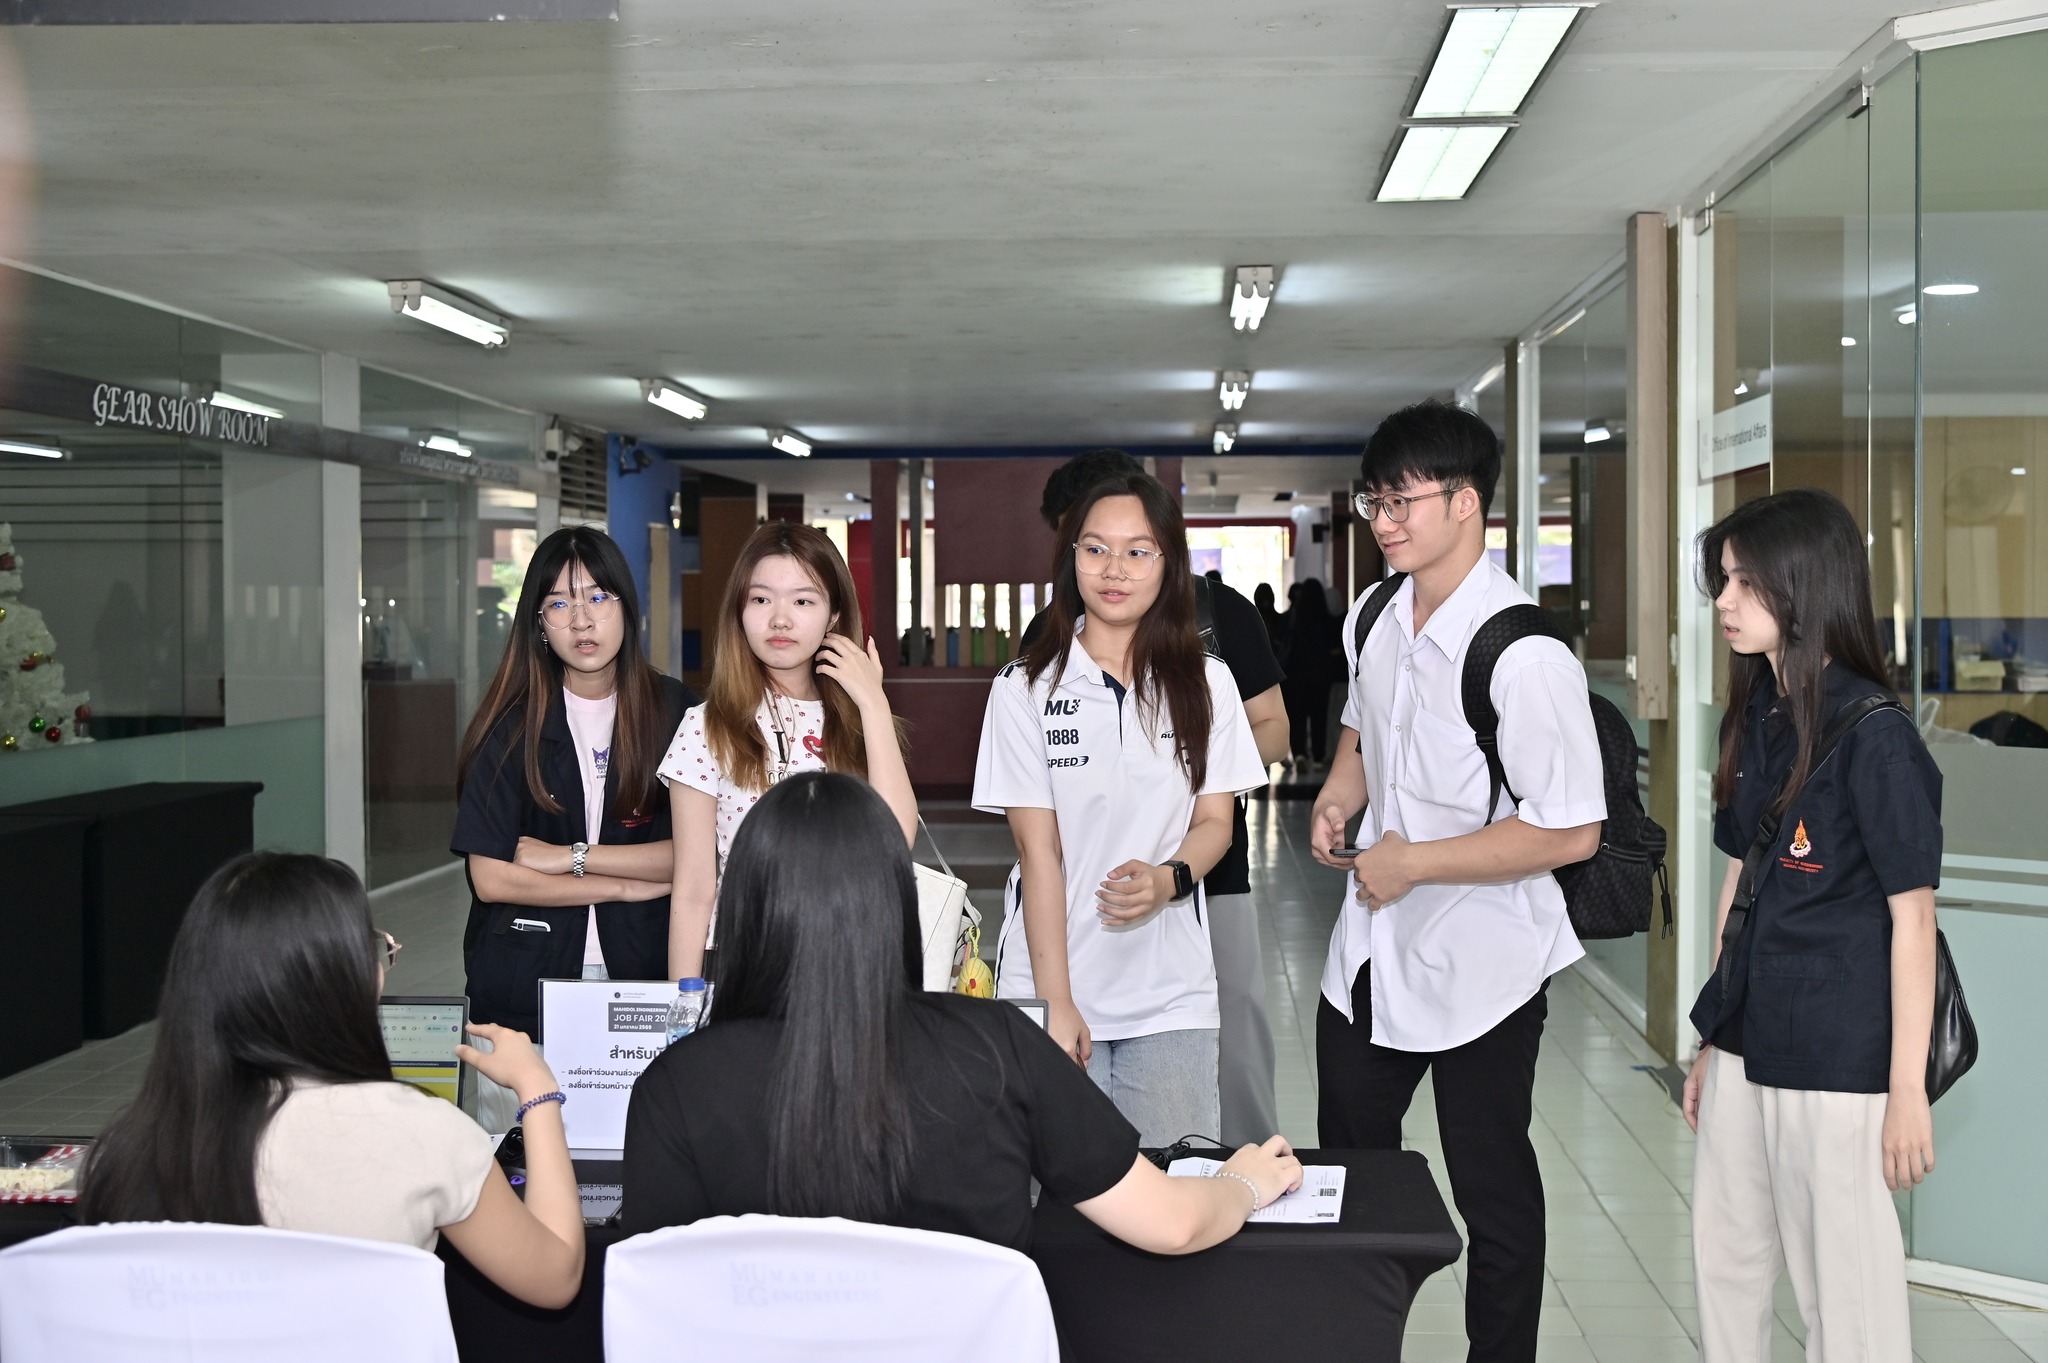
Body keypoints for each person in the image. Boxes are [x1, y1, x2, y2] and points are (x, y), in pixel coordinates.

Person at [623, 772, 1302, 1253]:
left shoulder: (677, 1085)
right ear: (893, 904)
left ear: (745, 910)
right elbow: (1172, 1224)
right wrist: (1242, 1183)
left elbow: (656, 1287)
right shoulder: (996, 1046)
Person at [1310, 399, 1605, 1363]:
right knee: (1353, 1176)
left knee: (1492, 1190)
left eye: (1402, 500)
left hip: (1487, 966)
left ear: (1466, 501)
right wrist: (1341, 791)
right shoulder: (1372, 614)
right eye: (1375, 501)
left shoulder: (1524, 653)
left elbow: (1571, 828)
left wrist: (1415, 862)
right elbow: (1365, 723)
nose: (1383, 521)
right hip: (1368, 956)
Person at [81, 853, 586, 1309]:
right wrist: (536, 1090)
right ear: (354, 979)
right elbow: (555, 1276)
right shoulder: (425, 1133)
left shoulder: (128, 1148)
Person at [1681, 489, 1939, 1363]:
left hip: (1835, 1055)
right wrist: (1713, 1037)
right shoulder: (1757, 711)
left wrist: (1906, 1090)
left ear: (1805, 586)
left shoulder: (1877, 733)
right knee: (1726, 1259)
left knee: (1845, 1288)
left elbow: (1913, 921)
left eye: (1745, 582)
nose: (1725, 601)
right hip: (1748, 1036)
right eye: (1722, 580)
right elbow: (1739, 883)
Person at [977, 471, 1269, 1147]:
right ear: (1070, 558)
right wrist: (1056, 1001)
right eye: (1095, 549)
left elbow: (1216, 822)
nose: (1114, 570)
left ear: (1169, 564)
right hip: (1049, 981)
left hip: (1170, 993)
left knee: (1179, 1180)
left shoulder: (1209, 682)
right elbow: (1038, 852)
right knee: (1057, 1195)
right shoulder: (1024, 687)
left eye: (1138, 551)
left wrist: (1169, 879)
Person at [453, 528, 694, 1126]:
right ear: (538, 622)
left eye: (598, 597)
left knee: (639, 1148)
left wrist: (571, 857)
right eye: (559, 603)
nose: (582, 620)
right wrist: (622, 884)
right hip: (523, 984)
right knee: (519, 1154)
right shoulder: (508, 726)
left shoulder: (677, 713)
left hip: (643, 974)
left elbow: (697, 857)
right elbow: (493, 879)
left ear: (627, 609)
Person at [659, 520, 915, 981]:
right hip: (740, 962)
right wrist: (682, 1001)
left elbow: (896, 841)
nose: (780, 619)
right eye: (761, 599)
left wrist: (874, 705)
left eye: (803, 601)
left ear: (833, 615)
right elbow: (694, 889)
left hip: (846, 962)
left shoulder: (861, 721)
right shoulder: (707, 726)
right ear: (739, 610)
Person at [1282, 578, 1340, 769]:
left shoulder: (1294, 619)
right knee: (1319, 716)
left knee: (1297, 716)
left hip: (1296, 676)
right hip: (1321, 676)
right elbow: (1334, 648)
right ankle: (1318, 757)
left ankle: (1299, 754)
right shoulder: (1327, 620)